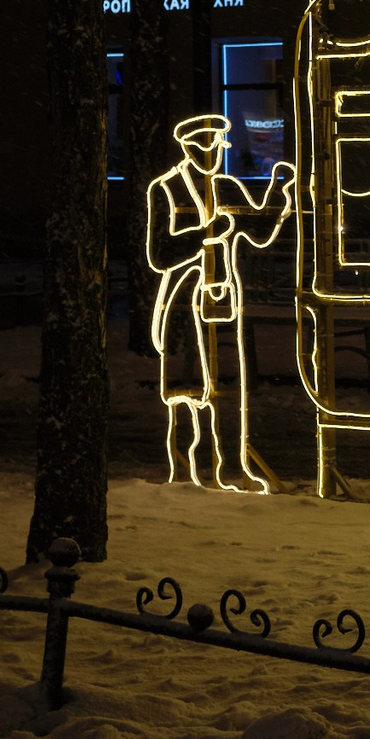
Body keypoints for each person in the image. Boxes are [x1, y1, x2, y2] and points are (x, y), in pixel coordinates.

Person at [147, 114, 297, 490]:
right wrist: (205, 234)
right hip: (183, 299)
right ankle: (182, 470)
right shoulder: (166, 189)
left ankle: (231, 467)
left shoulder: (227, 187)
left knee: (229, 384)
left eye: (218, 146)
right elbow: (161, 254)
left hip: (222, 296)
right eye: (205, 146)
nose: (213, 154)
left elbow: (258, 232)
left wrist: (280, 192)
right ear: (187, 147)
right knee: (184, 391)